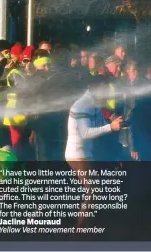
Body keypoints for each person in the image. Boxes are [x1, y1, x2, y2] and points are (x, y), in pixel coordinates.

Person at [65, 75, 124, 228]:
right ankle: (79, 234)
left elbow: (98, 125)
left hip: (86, 153)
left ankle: (86, 229)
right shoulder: (83, 104)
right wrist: (110, 127)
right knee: (93, 191)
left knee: (94, 192)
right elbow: (85, 132)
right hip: (78, 154)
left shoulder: (94, 103)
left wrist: (115, 123)